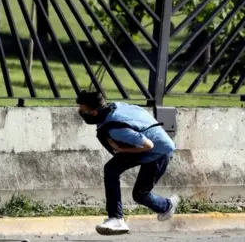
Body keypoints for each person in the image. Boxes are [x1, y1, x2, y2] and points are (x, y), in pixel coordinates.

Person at [76, 91, 180, 235]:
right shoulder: (114, 107)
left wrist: (120, 148)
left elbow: (148, 145)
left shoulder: (116, 130)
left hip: (159, 151)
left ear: (94, 113)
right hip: (147, 142)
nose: (79, 111)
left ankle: (166, 206)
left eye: (82, 110)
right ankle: (116, 218)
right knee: (111, 169)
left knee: (140, 195)